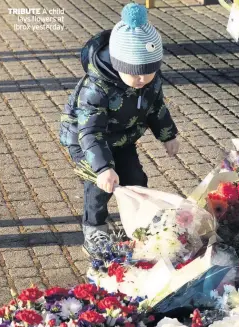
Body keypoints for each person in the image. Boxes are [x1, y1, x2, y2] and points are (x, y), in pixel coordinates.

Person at [59, 3, 179, 255]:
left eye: (148, 72)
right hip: (85, 140)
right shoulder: (97, 88)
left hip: (122, 137)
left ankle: (139, 225)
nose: (142, 80)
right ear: (117, 63)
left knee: (136, 179)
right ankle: (94, 229)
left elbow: (155, 106)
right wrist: (103, 167)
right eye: (135, 74)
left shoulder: (149, 77)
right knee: (101, 186)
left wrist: (167, 135)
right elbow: (90, 131)